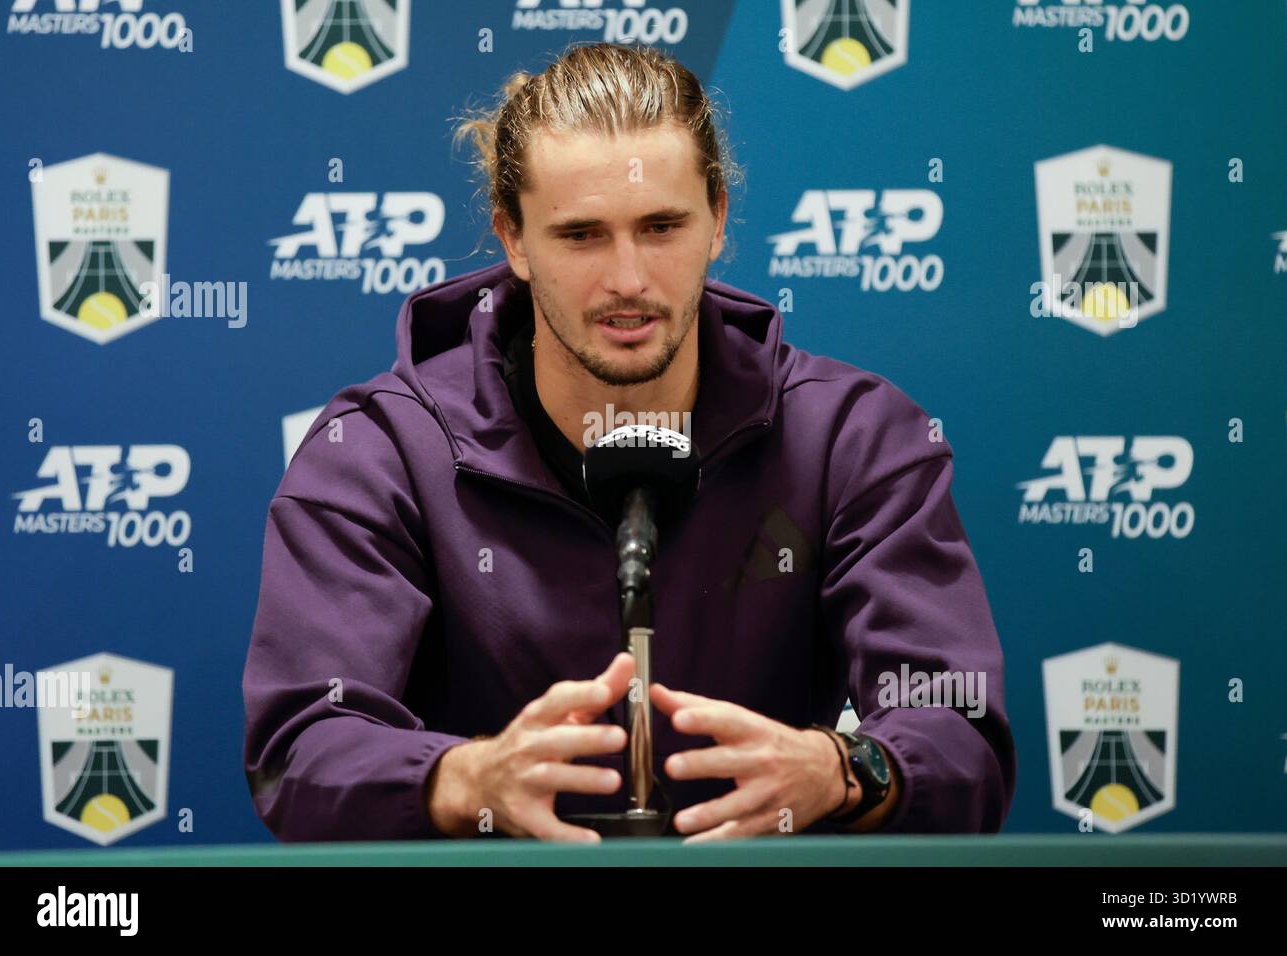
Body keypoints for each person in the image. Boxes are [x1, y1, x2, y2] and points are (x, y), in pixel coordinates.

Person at [242, 42, 1016, 843]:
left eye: (661, 226)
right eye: (581, 235)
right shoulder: (379, 452)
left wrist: (841, 772)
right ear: (513, 239)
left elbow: (960, 734)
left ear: (718, 218)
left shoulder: (853, 437)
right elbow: (300, 745)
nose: (629, 280)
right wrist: (463, 778)